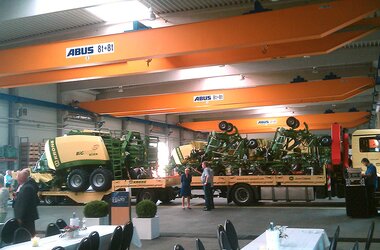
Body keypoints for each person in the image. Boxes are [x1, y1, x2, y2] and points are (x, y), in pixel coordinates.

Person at [13, 169, 39, 236]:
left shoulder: (27, 188)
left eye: (18, 178)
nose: (17, 179)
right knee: (28, 232)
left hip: (25, 217)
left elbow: (24, 204)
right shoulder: (24, 186)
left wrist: (19, 217)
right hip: (26, 217)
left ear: (21, 179)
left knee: (27, 233)